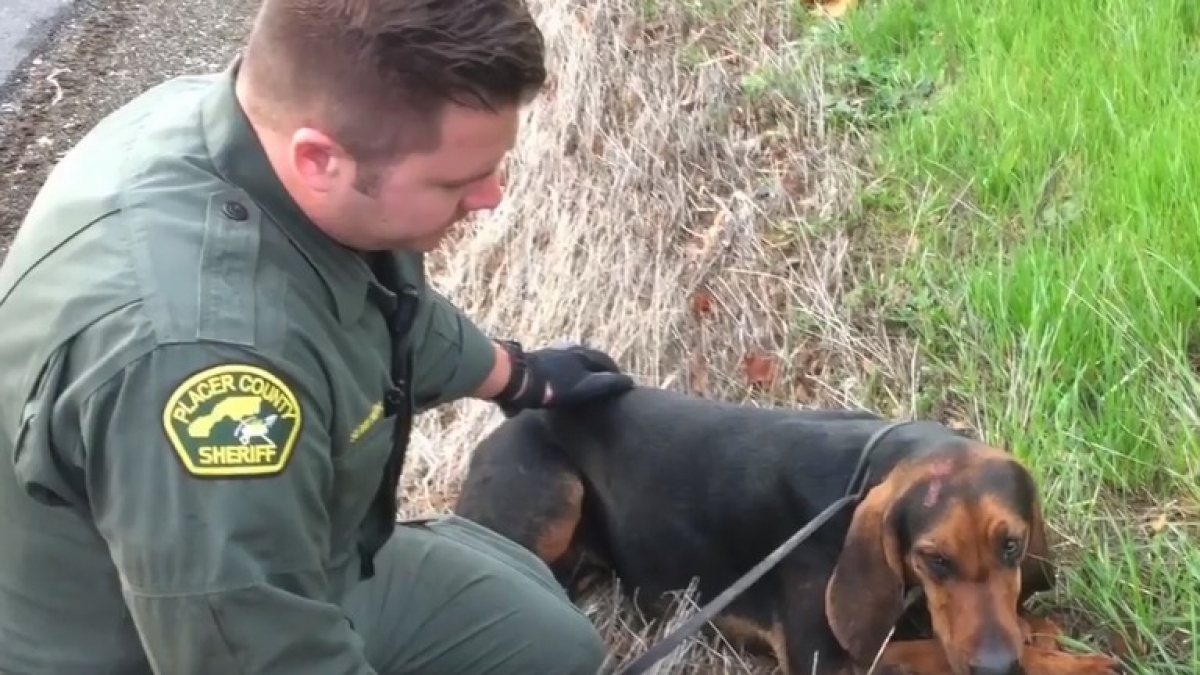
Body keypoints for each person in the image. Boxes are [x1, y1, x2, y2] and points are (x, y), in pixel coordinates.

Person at [0, 0, 636, 673]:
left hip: (265, 550)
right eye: (457, 181)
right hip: (134, 638)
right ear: (320, 160)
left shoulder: (236, 127)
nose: (491, 196)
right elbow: (248, 650)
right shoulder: (208, 368)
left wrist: (514, 374)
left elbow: (380, 300)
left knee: (548, 641)